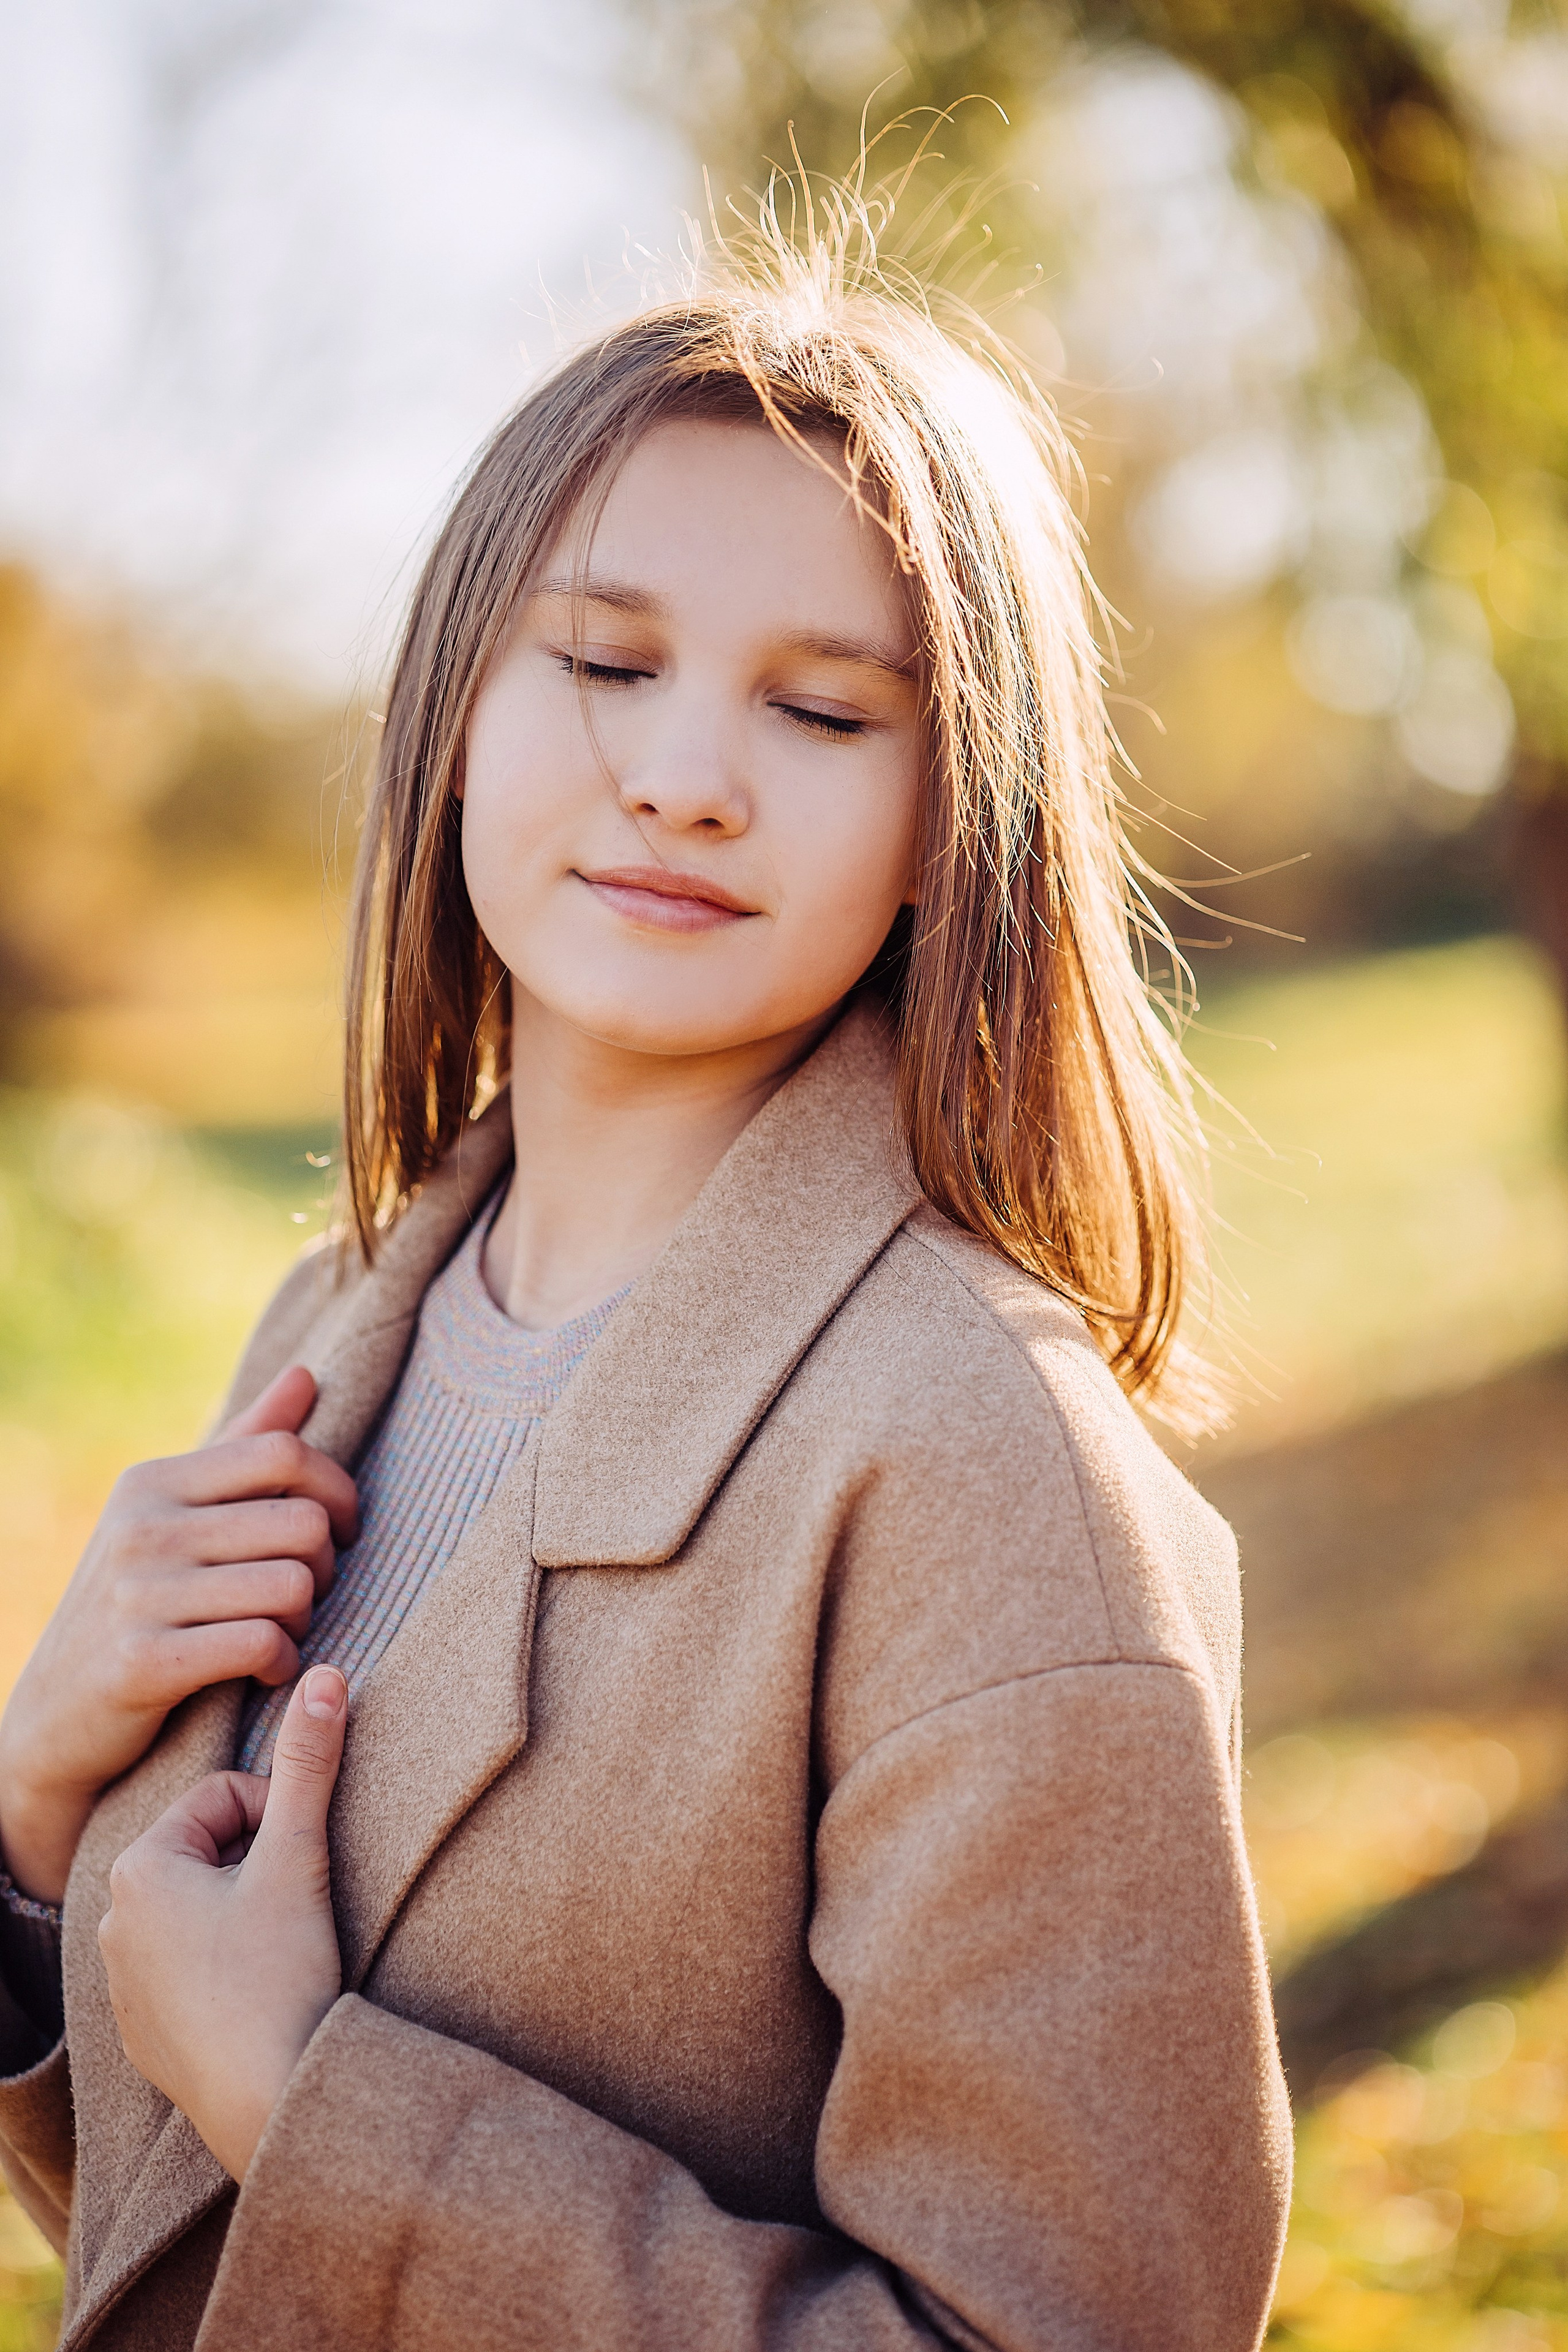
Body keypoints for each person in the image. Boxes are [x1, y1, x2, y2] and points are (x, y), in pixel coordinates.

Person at [0, 198, 1291, 2351]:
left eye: (823, 712)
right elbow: (183, 2258)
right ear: (458, 713)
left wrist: (323, 2110)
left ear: (949, 825)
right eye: (606, 664)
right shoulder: (331, 1330)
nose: (682, 780)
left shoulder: (987, 1471)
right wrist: (32, 1833)